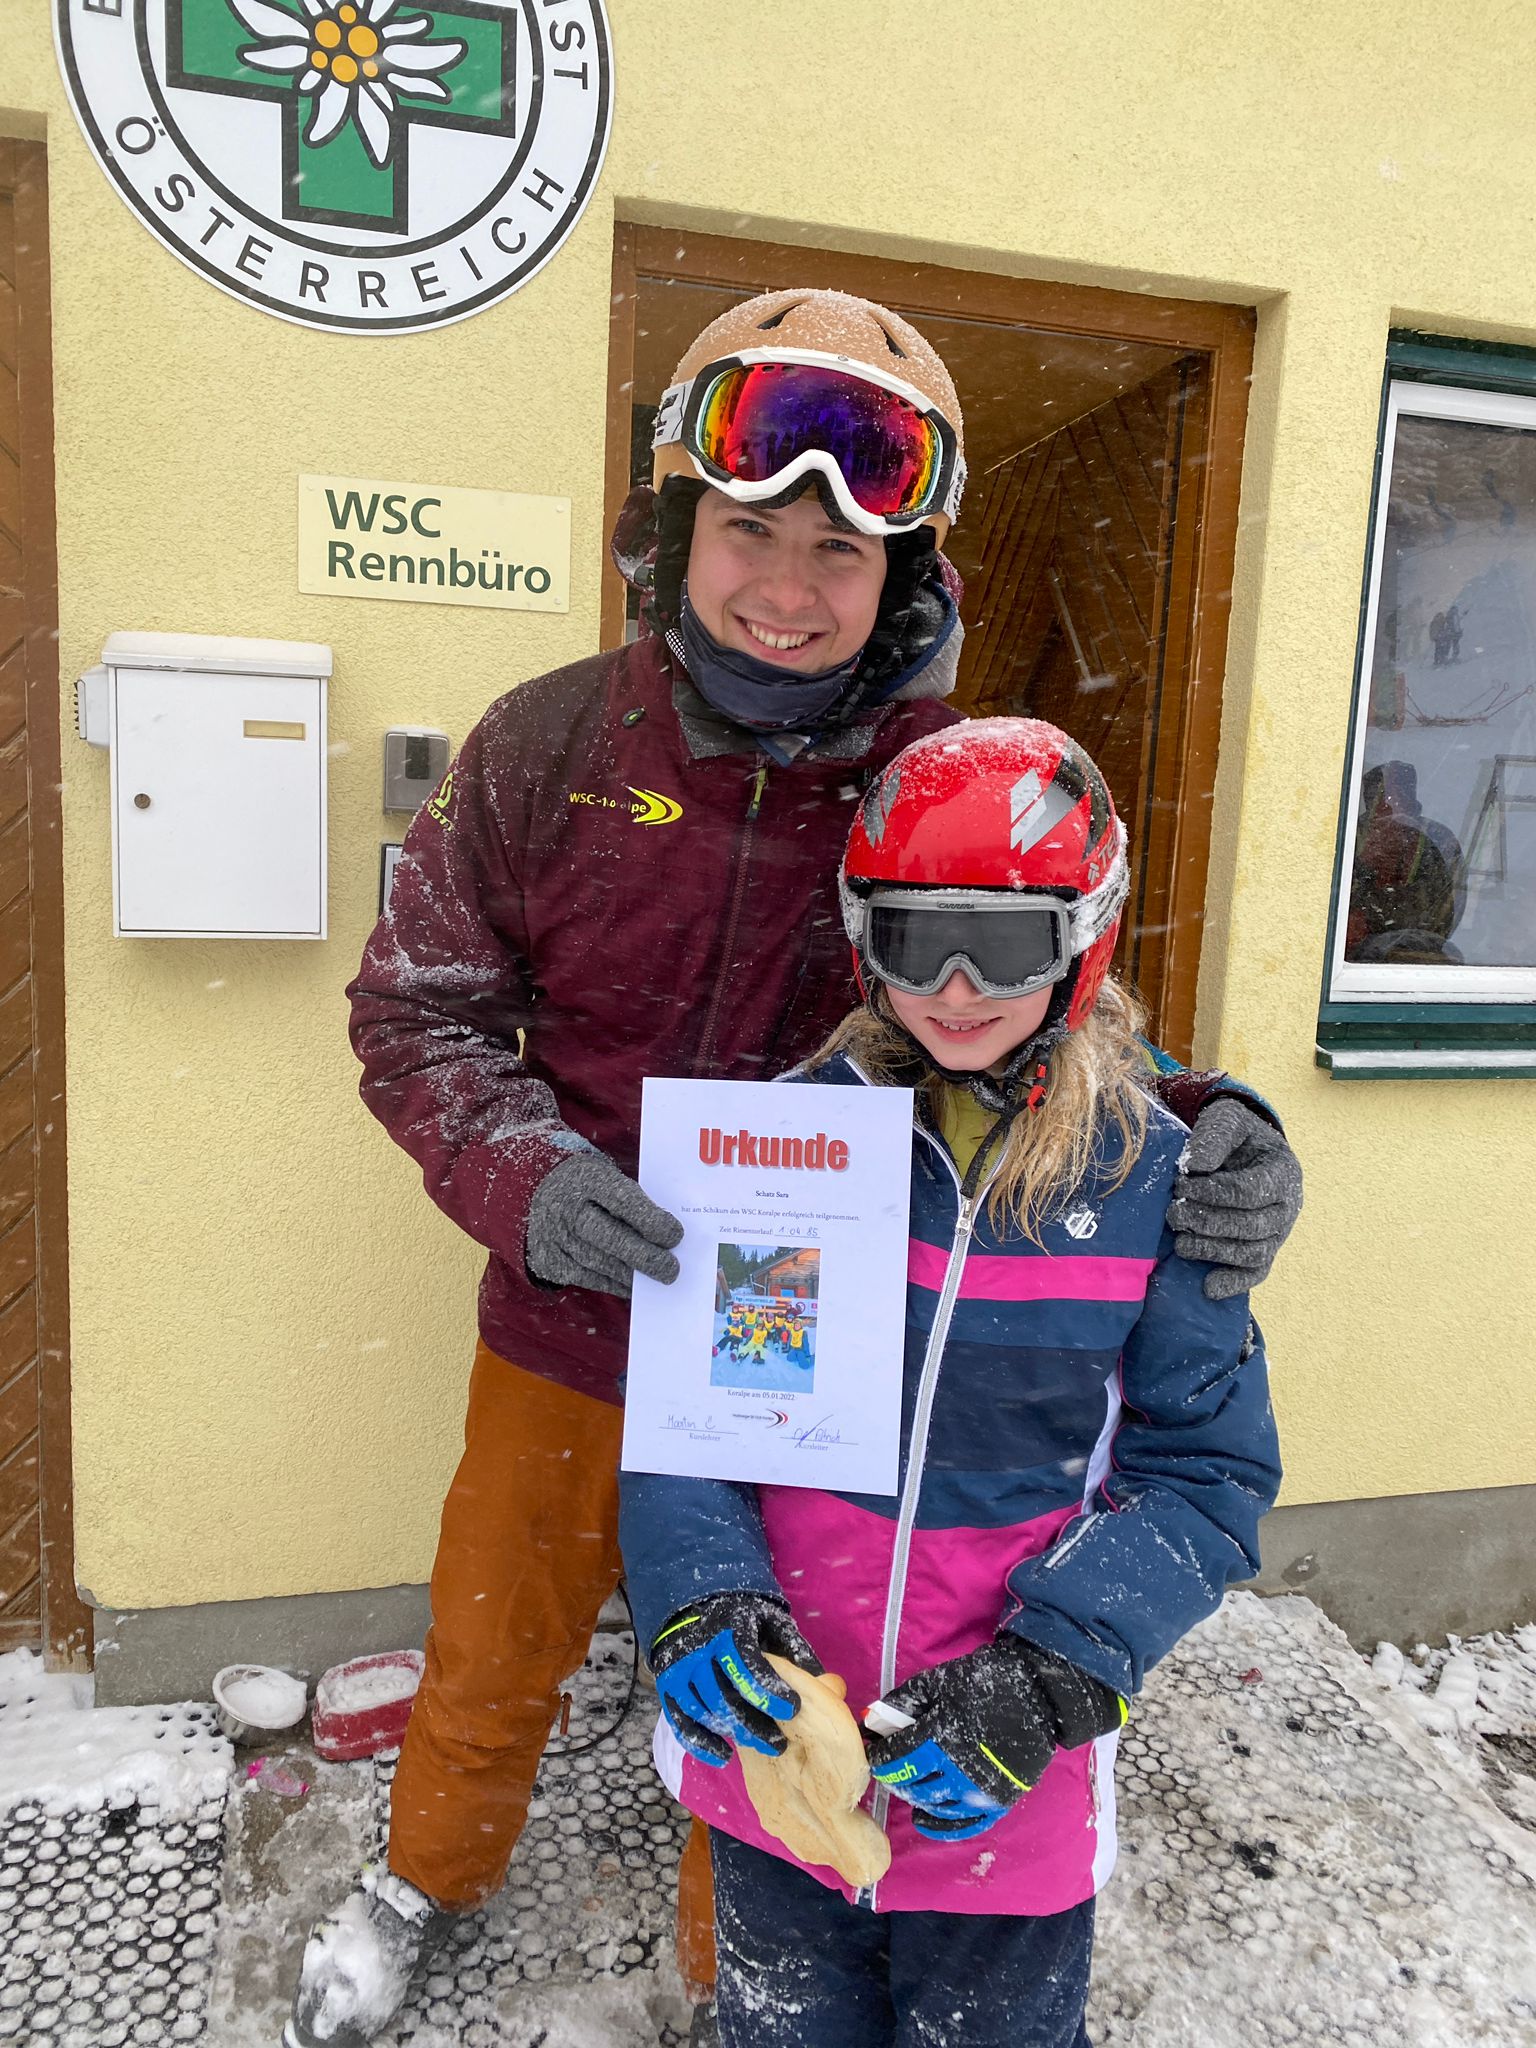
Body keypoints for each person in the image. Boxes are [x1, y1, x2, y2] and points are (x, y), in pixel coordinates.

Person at [289, 289, 1303, 2048]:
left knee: (782, 1670)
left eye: (840, 549)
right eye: (751, 532)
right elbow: (415, 1008)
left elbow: (1029, 1002)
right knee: (498, 1631)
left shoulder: (932, 779)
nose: (788, 584)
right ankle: (429, 1876)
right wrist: (527, 1179)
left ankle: (752, 1954)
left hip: (818, 1346)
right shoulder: (546, 745)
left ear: (901, 571)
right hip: (571, 1316)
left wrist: (1211, 1121)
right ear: (676, 534)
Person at [619, 719, 1283, 2048]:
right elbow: (701, 1421)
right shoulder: (791, 1145)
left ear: (1085, 939)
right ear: (865, 941)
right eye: (918, 942)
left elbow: (1204, 1476)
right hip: (783, 1739)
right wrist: (699, 1590)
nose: (960, 988)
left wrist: (1049, 1678)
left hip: (1001, 1779)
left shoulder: (1155, 1188)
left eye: (1008, 945)